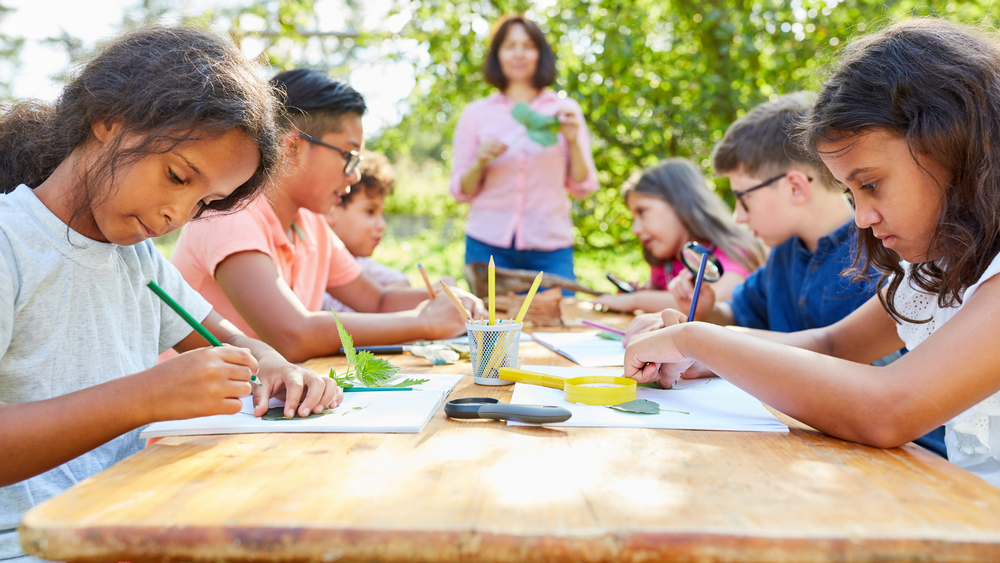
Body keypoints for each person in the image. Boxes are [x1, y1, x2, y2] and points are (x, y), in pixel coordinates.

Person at [0, 27, 341, 562]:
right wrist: (145, 397)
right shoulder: (9, 243)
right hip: (30, 544)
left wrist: (275, 366)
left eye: (205, 203)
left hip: (125, 527)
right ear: (110, 119)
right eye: (178, 176)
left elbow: (226, 339)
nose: (177, 217)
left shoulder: (136, 259)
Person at [623, 18, 1000, 484]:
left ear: (953, 147)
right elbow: (833, 344)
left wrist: (695, 340)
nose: (861, 217)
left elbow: (889, 408)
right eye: (851, 193)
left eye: (872, 185)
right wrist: (700, 352)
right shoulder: (938, 269)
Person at [171, 69, 485, 363]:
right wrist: (423, 322)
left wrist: (455, 303)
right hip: (198, 412)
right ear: (291, 147)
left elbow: (376, 301)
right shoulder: (228, 215)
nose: (355, 175)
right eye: (349, 157)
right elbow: (292, 335)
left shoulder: (311, 225)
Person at [450, 14, 599, 294]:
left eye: (528, 46)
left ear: (540, 54)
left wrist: (574, 142)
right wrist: (480, 161)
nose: (519, 54)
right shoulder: (476, 114)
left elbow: (582, 186)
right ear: (498, 55)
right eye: (509, 46)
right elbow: (462, 191)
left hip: (550, 247)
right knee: (490, 333)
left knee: (558, 327)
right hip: (487, 244)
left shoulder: (563, 111)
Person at [592, 158, 765, 314]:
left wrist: (634, 301)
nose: (635, 229)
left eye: (642, 211)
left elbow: (714, 302)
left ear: (680, 204)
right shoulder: (665, 262)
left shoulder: (732, 251)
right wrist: (645, 293)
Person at [322, 150, 411, 313]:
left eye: (382, 213)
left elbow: (401, 281)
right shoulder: (316, 262)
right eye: (370, 211)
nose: (382, 225)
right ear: (332, 207)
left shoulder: (361, 263)